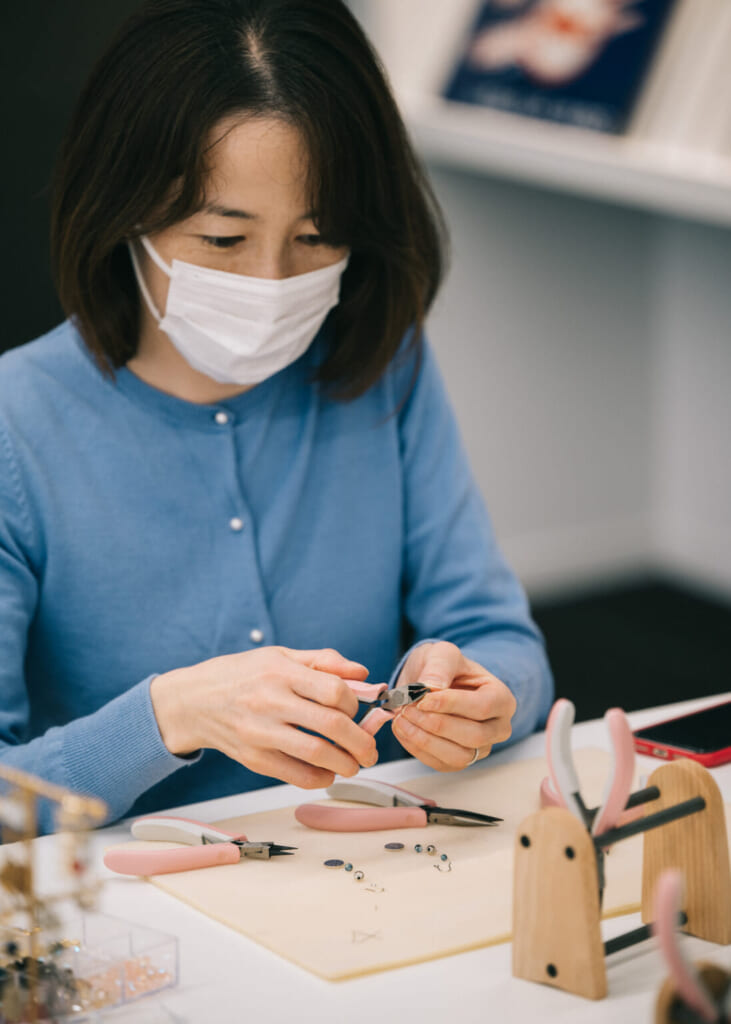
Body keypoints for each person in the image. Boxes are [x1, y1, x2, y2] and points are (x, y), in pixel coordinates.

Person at [0, 0, 553, 835]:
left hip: (363, 867)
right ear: (124, 215)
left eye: (317, 236)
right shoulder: (18, 424)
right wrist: (167, 717)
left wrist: (482, 696)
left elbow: (497, 637)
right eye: (223, 241)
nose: (270, 282)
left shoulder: (380, 361)